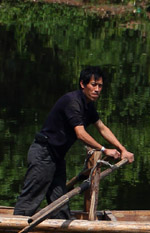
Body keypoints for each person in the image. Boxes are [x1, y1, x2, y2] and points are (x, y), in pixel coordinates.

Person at [14, 66, 135, 219]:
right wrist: (105, 150)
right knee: (31, 199)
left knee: (60, 203)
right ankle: (11, 229)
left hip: (57, 158)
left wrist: (122, 149)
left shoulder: (88, 106)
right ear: (82, 84)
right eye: (93, 85)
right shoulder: (72, 101)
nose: (97, 89)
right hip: (44, 153)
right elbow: (81, 133)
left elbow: (102, 128)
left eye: (100, 86)